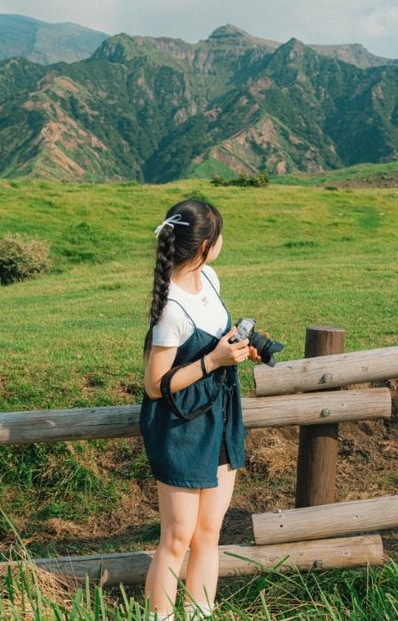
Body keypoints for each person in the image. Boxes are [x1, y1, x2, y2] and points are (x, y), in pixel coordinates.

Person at [139, 198, 258, 620]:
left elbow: (216, 335)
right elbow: (155, 386)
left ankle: (199, 615)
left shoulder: (209, 277)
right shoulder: (170, 308)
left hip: (220, 416)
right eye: (220, 235)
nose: (223, 241)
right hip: (181, 426)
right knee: (177, 539)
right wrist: (213, 362)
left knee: (209, 533)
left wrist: (239, 348)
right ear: (205, 245)